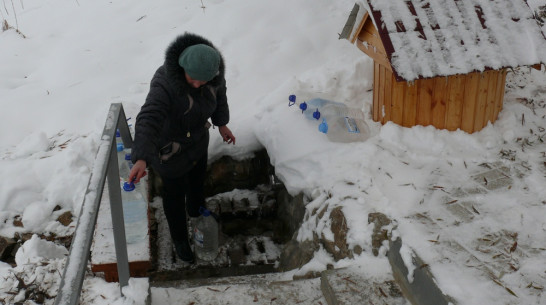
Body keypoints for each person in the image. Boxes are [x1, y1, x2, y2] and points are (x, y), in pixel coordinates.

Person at [128, 32, 235, 264]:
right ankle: (179, 239)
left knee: (197, 181)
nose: (197, 85)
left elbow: (220, 97)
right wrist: (142, 157)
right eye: (192, 79)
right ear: (182, 68)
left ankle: (196, 212)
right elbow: (149, 117)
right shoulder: (165, 82)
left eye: (203, 81)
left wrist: (222, 124)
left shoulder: (213, 76)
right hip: (170, 149)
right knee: (174, 194)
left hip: (197, 141)